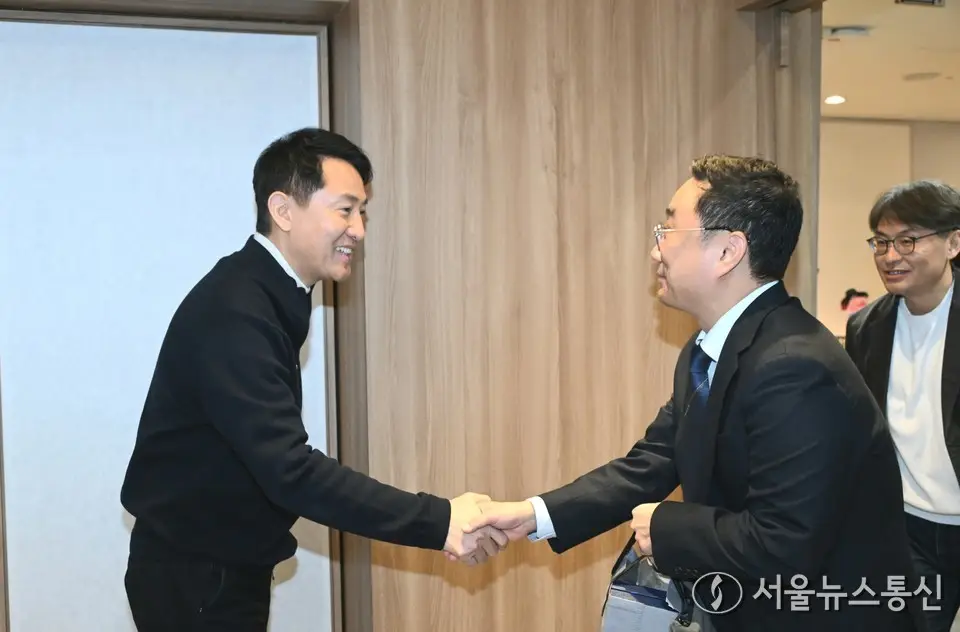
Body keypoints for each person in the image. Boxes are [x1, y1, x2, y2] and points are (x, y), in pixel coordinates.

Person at [463, 155, 923, 631]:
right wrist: (532, 515)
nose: (655, 251)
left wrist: (665, 527)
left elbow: (785, 541)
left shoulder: (795, 366)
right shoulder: (711, 347)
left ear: (728, 251)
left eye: (668, 230)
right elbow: (653, 461)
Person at [120, 127, 506, 631]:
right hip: (197, 579)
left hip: (214, 570)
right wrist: (441, 520)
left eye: (362, 213)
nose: (358, 230)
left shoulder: (261, 292)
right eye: (344, 210)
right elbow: (291, 470)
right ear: (283, 210)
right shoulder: (237, 310)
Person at [845, 180, 960, 632]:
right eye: (881, 242)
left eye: (908, 240)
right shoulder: (865, 328)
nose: (891, 256)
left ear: (953, 243)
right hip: (909, 529)